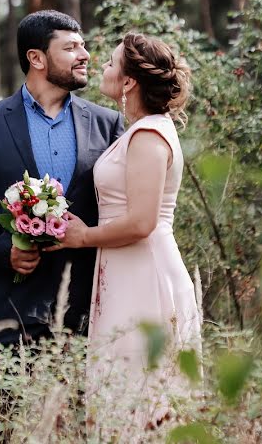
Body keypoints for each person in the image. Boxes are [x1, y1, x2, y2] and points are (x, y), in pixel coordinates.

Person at [0, 10, 124, 441]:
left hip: (85, 301)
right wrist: (4, 247)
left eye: (82, 46)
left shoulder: (108, 123)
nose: (84, 55)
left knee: (82, 425)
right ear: (37, 58)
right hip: (8, 301)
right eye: (71, 47)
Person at [45, 32, 202, 437]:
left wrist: (83, 236)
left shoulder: (149, 135)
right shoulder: (139, 130)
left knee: (144, 391)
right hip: (125, 271)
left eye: (112, 63)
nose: (103, 67)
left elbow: (142, 222)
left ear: (129, 81)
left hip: (146, 275)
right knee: (122, 389)